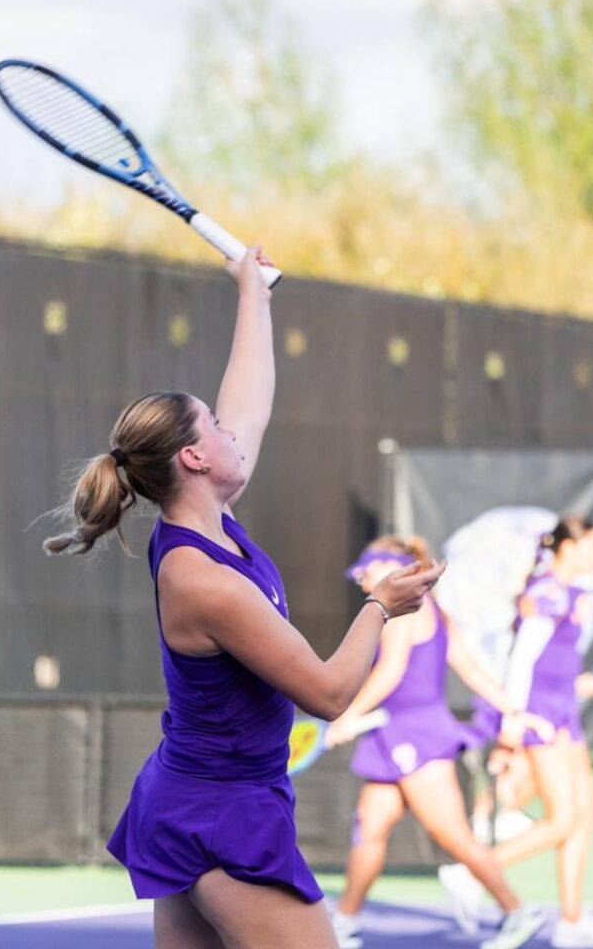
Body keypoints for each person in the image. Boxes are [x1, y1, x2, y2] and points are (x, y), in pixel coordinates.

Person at [45, 246, 446, 949]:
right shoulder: (201, 579)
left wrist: (252, 294)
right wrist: (380, 607)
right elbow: (325, 693)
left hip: (206, 796)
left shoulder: (215, 524)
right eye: (214, 427)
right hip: (217, 813)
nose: (232, 430)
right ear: (195, 460)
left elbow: (250, 400)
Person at [325, 536, 549, 949]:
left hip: (418, 737)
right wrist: (511, 709)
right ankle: (345, 923)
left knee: (453, 837)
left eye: (367, 572)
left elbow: (391, 671)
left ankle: (518, 912)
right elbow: (469, 669)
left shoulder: (407, 613)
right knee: (370, 828)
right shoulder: (434, 610)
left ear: (393, 568)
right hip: (390, 736)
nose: (361, 581)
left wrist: (346, 715)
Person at [486, 517, 593, 949]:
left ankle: (570, 920)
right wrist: (513, 720)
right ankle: (478, 868)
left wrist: (576, 681)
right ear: (569, 548)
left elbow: (557, 655)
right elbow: (523, 659)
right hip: (539, 711)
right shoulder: (546, 592)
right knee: (563, 817)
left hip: (564, 706)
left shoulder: (574, 593)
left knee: (585, 813)